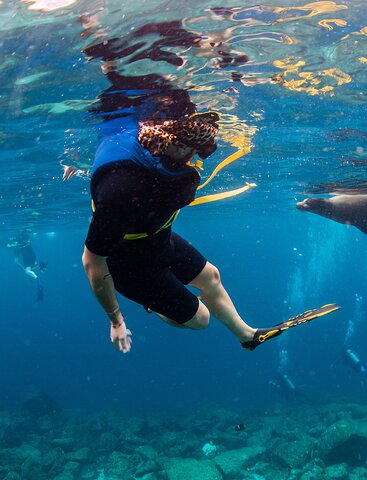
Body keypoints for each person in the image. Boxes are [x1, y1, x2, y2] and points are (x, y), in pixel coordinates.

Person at [81, 20, 338, 354]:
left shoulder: (165, 162)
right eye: (190, 146)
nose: (195, 156)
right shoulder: (121, 190)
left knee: (211, 277)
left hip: (157, 238)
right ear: (167, 142)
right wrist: (116, 320)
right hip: (127, 263)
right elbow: (92, 262)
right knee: (199, 320)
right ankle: (154, 303)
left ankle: (247, 336)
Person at [6, 230, 46, 300]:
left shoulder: (20, 242)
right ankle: (40, 268)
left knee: (28, 272)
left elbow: (25, 243)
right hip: (28, 256)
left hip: (28, 256)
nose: (9, 246)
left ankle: (38, 280)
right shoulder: (18, 247)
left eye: (11, 244)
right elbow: (16, 261)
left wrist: (25, 270)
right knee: (29, 270)